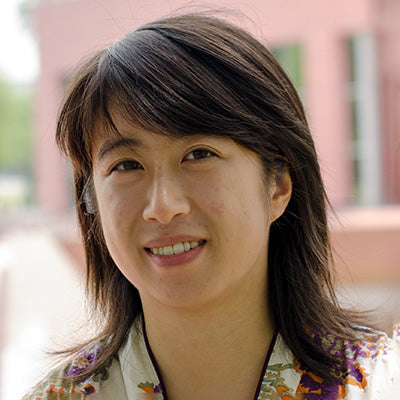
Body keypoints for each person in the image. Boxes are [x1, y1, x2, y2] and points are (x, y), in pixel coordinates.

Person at [22, 13, 399, 400]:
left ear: (278, 186)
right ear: (92, 203)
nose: (163, 207)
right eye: (127, 166)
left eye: (199, 154)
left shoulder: (383, 386)